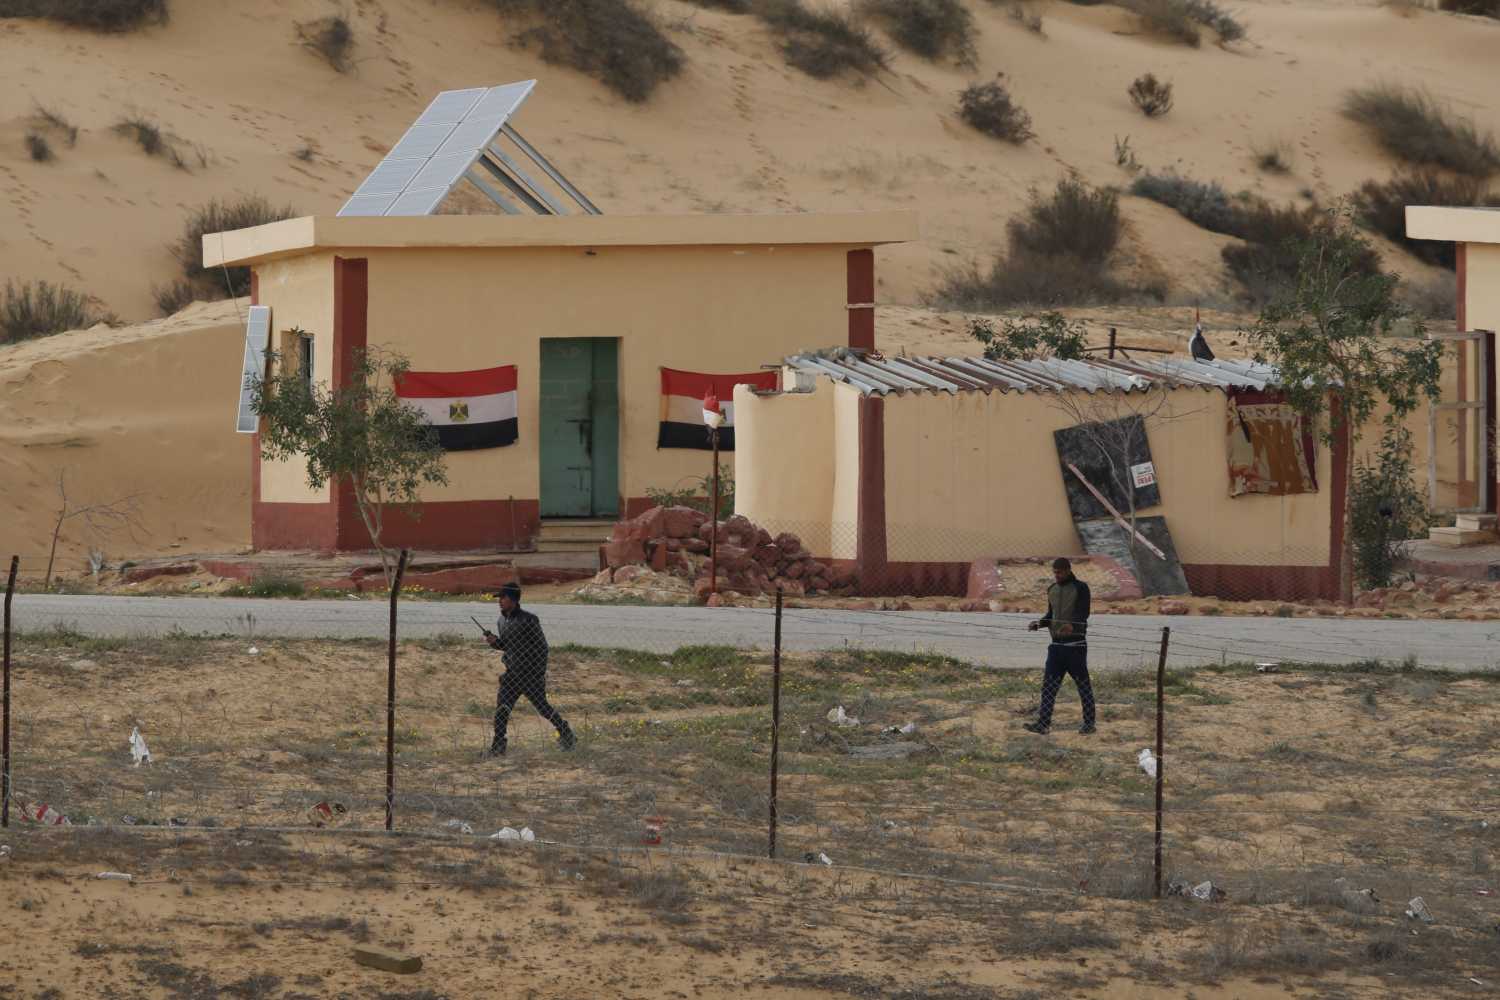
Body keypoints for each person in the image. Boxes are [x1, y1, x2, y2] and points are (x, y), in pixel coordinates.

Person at [482, 582, 576, 756]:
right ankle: (498, 746)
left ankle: (566, 733)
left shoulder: (529, 620)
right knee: (502, 708)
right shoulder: (502, 620)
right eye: (500, 598)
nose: (500, 601)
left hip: (530, 675)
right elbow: (508, 645)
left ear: (513, 600)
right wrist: (495, 643)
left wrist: (538, 672)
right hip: (511, 674)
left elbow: (542, 647)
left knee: (543, 708)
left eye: (503, 598)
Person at [1025, 557, 1096, 735]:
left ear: (1068, 570)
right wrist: (1039, 624)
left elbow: (1083, 612)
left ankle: (1089, 724)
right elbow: (1051, 615)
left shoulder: (1081, 588)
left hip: (1076, 646)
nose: (1056, 575)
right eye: (1054, 572)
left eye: (1059, 572)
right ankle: (1043, 724)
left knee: (1083, 685)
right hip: (1056, 646)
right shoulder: (1052, 589)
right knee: (1049, 686)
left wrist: (1072, 624)